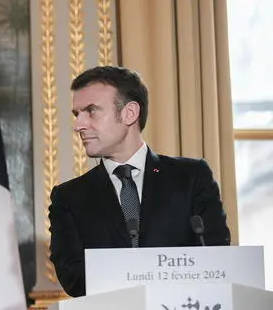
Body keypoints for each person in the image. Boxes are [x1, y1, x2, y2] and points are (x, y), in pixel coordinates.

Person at [49, 66, 231, 297]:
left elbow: (216, 255)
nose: (79, 125)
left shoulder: (191, 177)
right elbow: (73, 277)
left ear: (130, 113)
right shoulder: (69, 197)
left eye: (91, 111)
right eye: (77, 114)